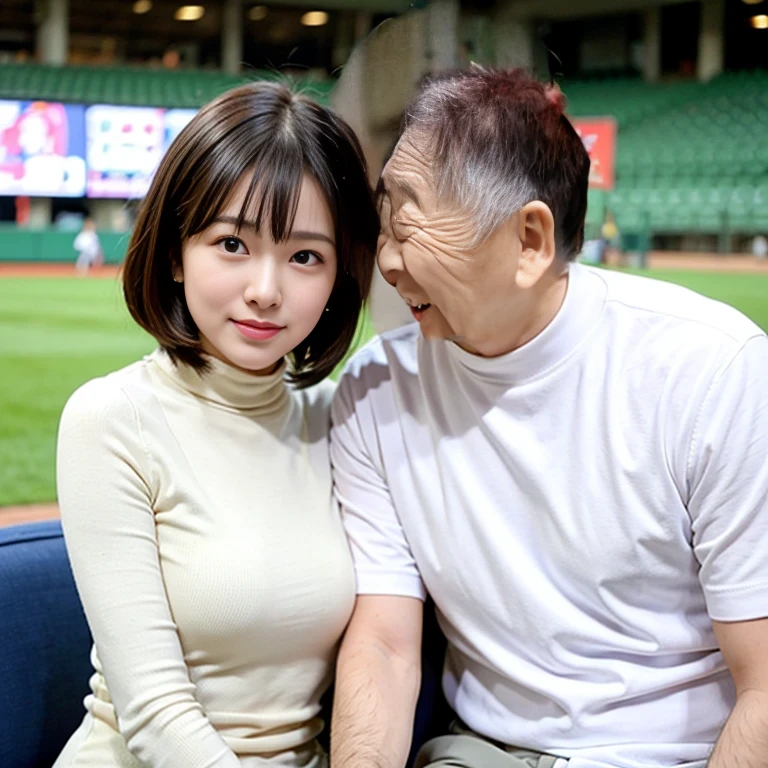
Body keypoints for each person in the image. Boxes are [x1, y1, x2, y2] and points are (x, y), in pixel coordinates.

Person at [329, 68, 768, 768]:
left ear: (530, 240)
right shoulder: (377, 388)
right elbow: (382, 646)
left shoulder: (712, 371)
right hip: (483, 754)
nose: (385, 260)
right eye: (384, 221)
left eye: (407, 225)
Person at [54, 81, 378, 768]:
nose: (266, 288)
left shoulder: (341, 421)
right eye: (232, 244)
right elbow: (154, 717)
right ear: (175, 251)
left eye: (305, 257)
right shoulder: (112, 419)